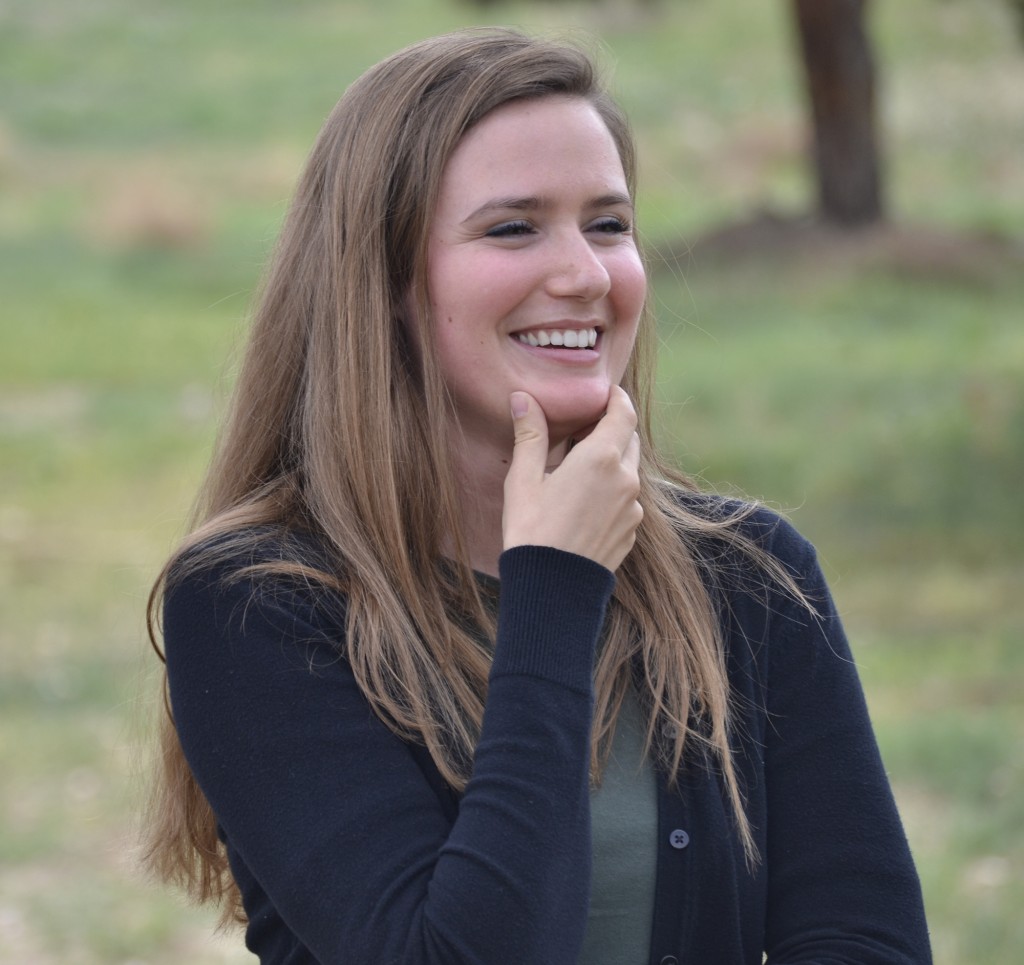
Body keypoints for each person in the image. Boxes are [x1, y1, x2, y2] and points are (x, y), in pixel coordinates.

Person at [143, 27, 932, 965]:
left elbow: (864, 941)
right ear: (384, 279)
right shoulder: (256, 604)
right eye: (514, 227)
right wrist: (554, 583)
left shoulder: (749, 576)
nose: (585, 274)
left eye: (608, 224)